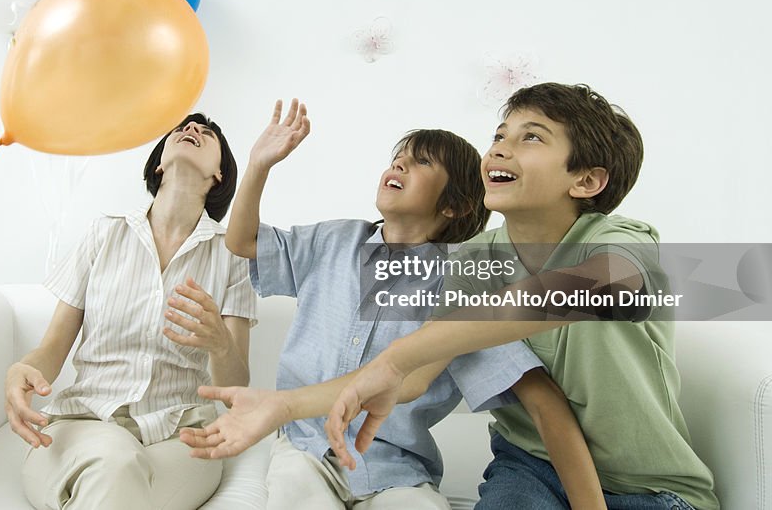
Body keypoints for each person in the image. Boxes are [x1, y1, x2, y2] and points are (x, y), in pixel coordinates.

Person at [181, 99, 606, 509]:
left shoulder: (461, 283)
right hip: (305, 449)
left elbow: (530, 387)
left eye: (421, 162)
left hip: (396, 467)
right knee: (293, 491)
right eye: (397, 156)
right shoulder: (334, 241)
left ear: (455, 205)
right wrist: (259, 164)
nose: (398, 164)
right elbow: (243, 241)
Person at [323, 83, 719, 510]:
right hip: (530, 467)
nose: (498, 149)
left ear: (586, 180)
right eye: (498, 135)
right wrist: (284, 405)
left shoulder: (619, 241)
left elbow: (605, 285)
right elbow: (418, 375)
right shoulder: (474, 258)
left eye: (530, 137)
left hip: (648, 487)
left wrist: (399, 355)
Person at [5, 113, 258, 510]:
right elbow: (52, 349)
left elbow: (236, 390)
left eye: (206, 134)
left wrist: (220, 344)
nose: (192, 131)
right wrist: (24, 369)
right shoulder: (104, 233)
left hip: (181, 438)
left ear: (219, 175)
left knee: (117, 474)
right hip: (84, 425)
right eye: (183, 129)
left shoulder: (233, 256)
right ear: (159, 163)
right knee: (115, 461)